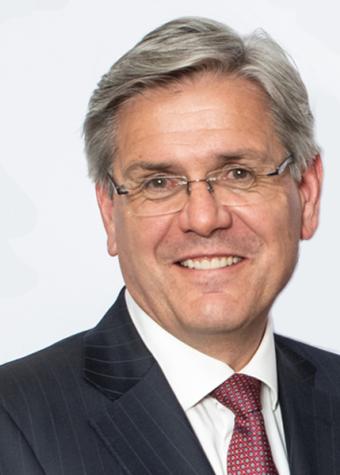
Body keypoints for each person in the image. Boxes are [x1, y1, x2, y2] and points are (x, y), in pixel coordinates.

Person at [0, 16, 338, 475]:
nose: (203, 218)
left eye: (238, 173)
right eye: (158, 182)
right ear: (109, 214)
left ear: (306, 193)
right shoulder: (14, 423)